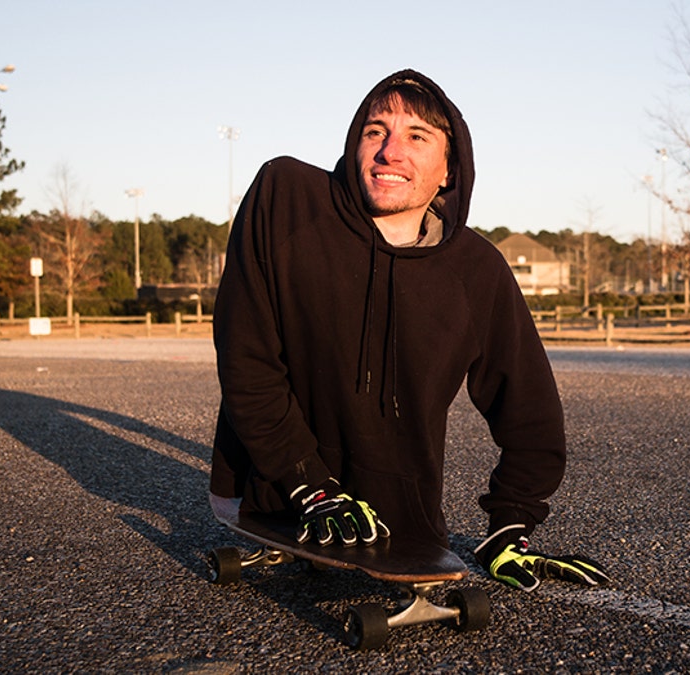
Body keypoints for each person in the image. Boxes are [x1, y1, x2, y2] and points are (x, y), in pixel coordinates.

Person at [210, 69, 608, 592]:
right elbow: (246, 355)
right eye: (375, 131)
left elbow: (528, 406)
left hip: (398, 527)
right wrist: (307, 483)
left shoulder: (477, 270)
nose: (390, 151)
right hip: (272, 493)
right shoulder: (286, 199)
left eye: (417, 137)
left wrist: (512, 521)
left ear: (449, 169)